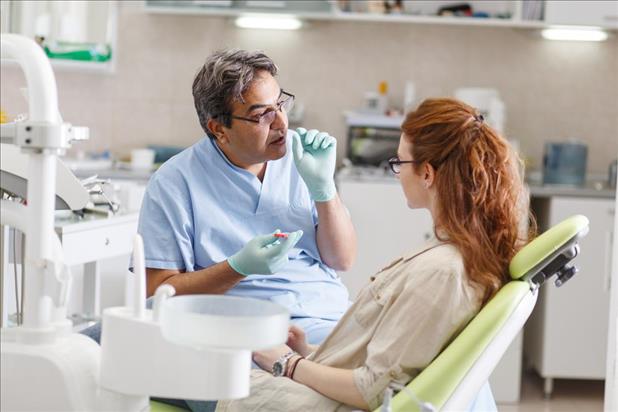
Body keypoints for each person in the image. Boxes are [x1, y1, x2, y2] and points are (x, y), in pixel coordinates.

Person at [206, 97, 534, 412]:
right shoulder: (457, 257)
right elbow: (392, 356)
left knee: (203, 381)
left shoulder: (442, 272)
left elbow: (370, 389)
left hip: (329, 402)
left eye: (399, 162)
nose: (397, 172)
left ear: (428, 174)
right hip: (331, 381)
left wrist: (287, 363)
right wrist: (309, 352)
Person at [81, 49, 356, 347]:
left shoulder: (302, 158)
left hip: (329, 318)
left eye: (280, 104)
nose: (280, 123)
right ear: (218, 129)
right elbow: (158, 294)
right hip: (244, 330)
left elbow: (342, 259)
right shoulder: (176, 182)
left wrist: (324, 190)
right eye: (262, 114)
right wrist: (238, 267)